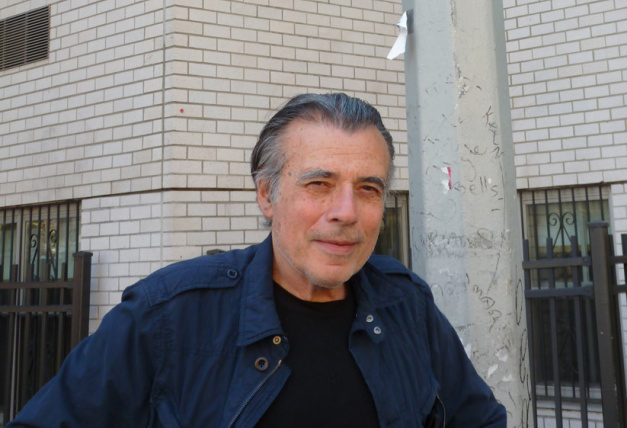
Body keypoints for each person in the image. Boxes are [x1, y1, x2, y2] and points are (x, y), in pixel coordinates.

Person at [10, 93, 506, 427]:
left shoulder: (406, 303)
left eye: (368, 189)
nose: (347, 213)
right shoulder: (169, 314)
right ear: (267, 195)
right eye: (319, 184)